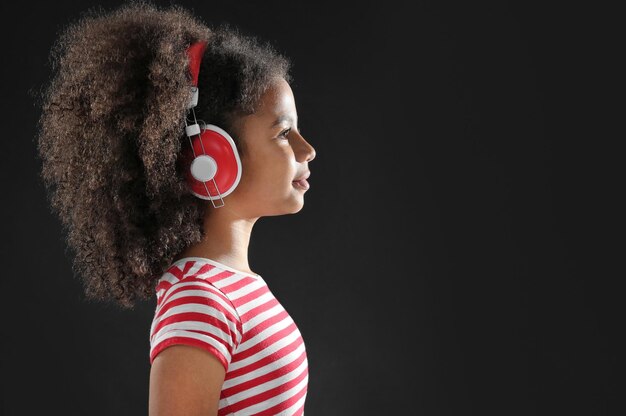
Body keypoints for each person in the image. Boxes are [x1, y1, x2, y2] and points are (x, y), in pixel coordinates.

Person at [34, 1, 316, 414]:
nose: (307, 149)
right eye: (283, 133)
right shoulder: (199, 299)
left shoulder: (233, 287)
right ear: (214, 157)